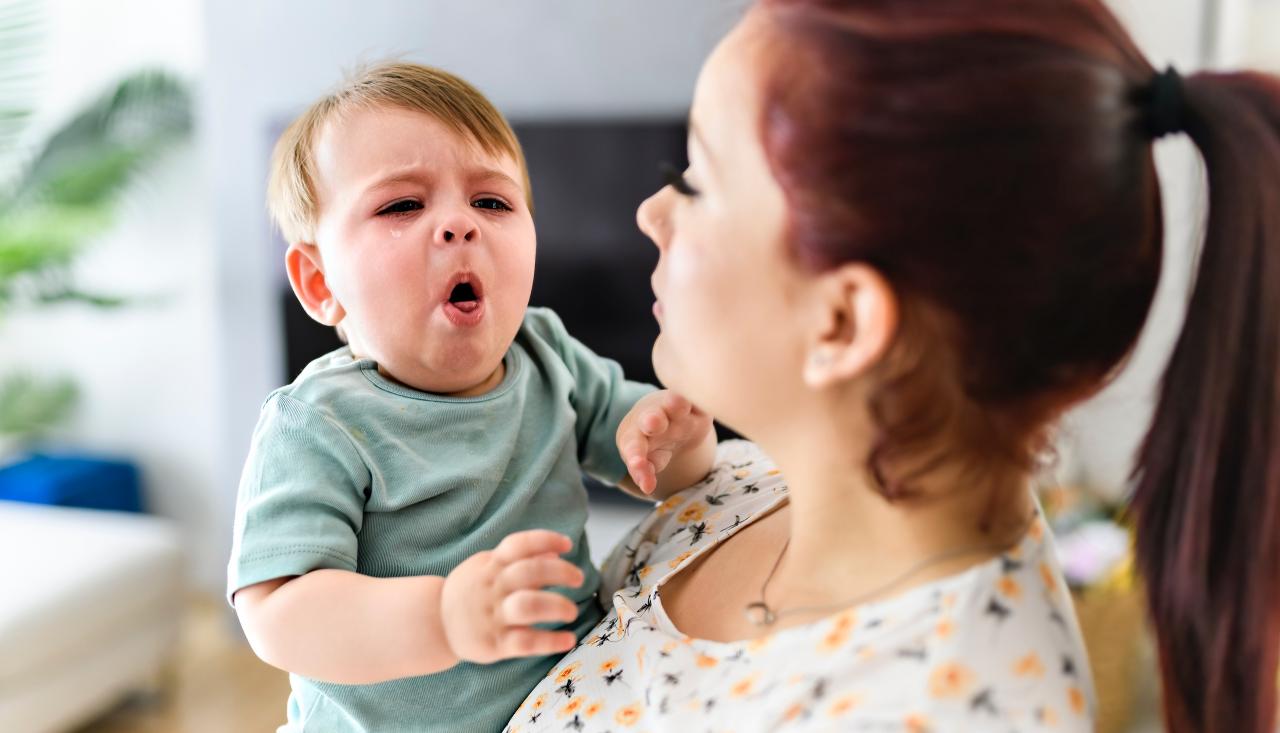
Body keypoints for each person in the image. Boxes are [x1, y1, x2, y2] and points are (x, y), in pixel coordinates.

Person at [509, 1, 1280, 731]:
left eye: (698, 178)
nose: (650, 211)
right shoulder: (752, 489)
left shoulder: (932, 706)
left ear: (842, 322)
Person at [226, 62, 717, 733]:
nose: (459, 224)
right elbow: (277, 612)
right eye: (402, 205)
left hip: (566, 703)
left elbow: (655, 465)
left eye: (492, 202)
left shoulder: (546, 352)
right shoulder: (319, 422)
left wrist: (679, 441)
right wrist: (442, 617)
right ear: (318, 282)